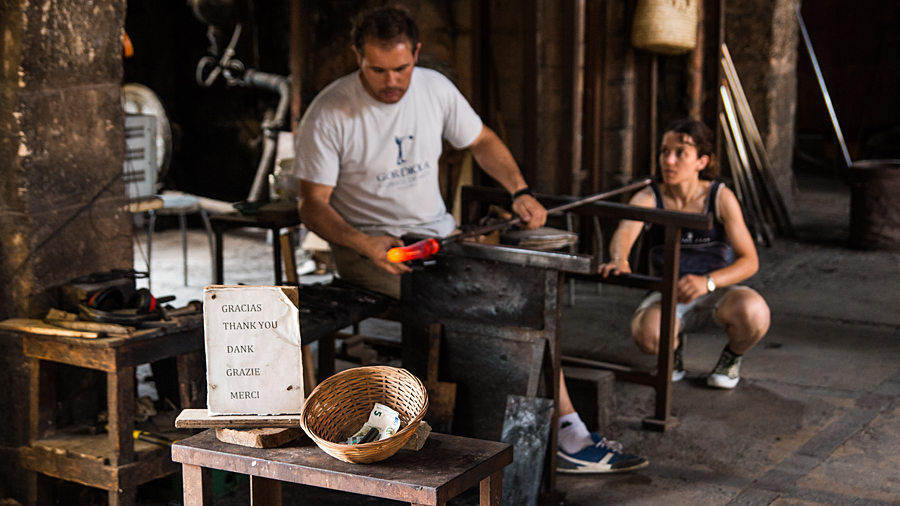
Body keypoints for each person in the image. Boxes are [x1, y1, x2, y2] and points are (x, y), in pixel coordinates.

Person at [294, 6, 647, 474]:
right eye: (377, 69)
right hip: (371, 251)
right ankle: (560, 436)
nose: (391, 81)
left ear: (416, 53)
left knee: (524, 294)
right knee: (485, 304)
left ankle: (556, 435)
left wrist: (518, 189)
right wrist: (363, 243)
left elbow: (482, 140)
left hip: (441, 239)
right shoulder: (330, 111)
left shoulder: (435, 89)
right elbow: (312, 206)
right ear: (357, 56)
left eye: (401, 68)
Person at [599, 119, 771, 389]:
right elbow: (625, 232)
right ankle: (672, 352)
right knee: (647, 335)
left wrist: (708, 281)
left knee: (755, 313)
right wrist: (619, 259)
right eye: (664, 152)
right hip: (668, 292)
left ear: (701, 162)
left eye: (681, 153)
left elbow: (749, 261)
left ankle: (731, 359)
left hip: (715, 291)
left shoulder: (720, 197)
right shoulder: (649, 196)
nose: (668, 161)